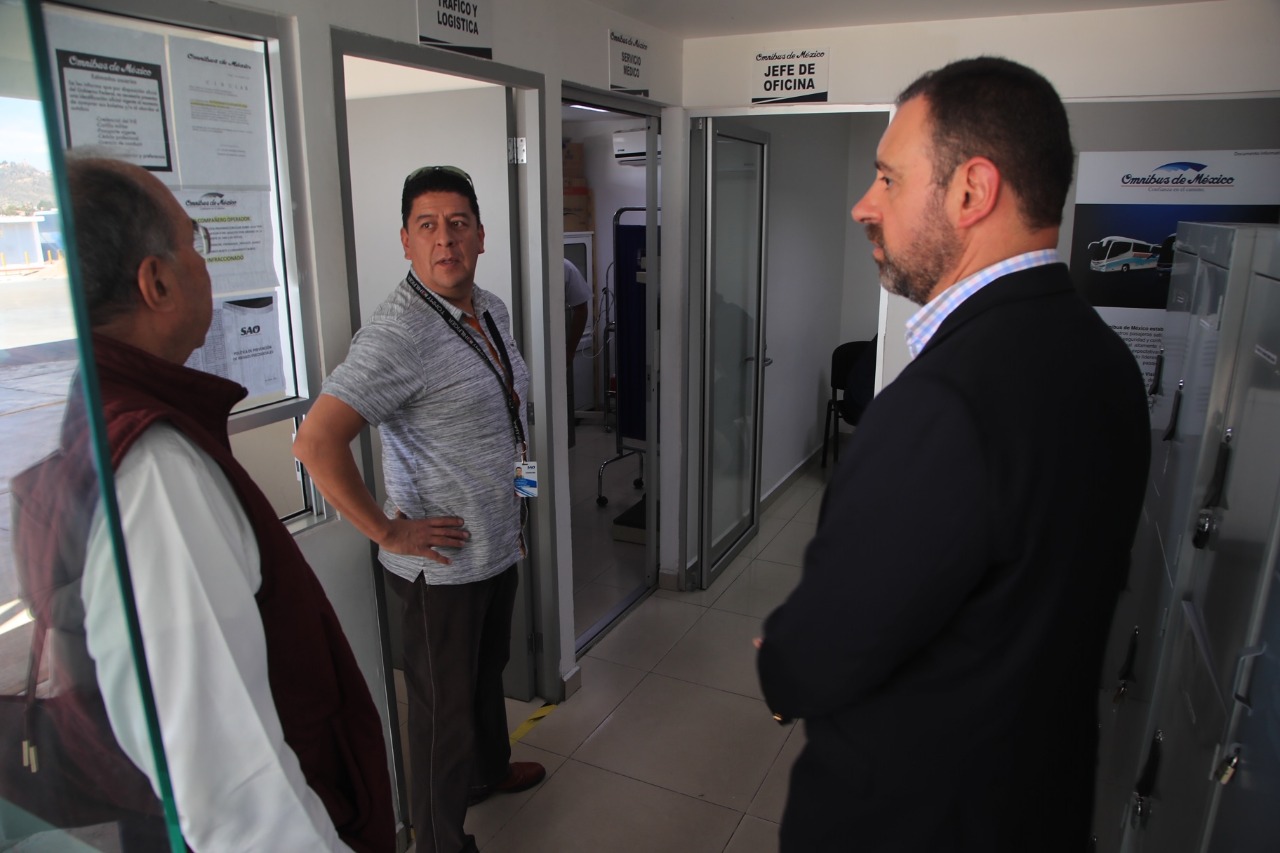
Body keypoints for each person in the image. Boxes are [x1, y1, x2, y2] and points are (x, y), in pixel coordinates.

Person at [755, 57, 1150, 853]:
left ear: (972, 191)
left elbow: (821, 654)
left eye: (888, 179)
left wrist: (782, 655)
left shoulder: (944, 404)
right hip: (1033, 806)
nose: (863, 205)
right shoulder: (1104, 359)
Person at [10, 157, 394, 851]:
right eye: (195, 242)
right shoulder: (157, 470)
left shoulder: (102, 415)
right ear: (156, 282)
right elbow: (233, 789)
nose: (203, 264)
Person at [293, 166, 544, 853]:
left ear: (481, 235)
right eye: (427, 226)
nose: (445, 240)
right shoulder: (397, 333)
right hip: (442, 567)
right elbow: (315, 443)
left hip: (498, 540)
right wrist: (387, 530)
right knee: (443, 717)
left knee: (486, 676)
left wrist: (516, 508)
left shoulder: (491, 308)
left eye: (458, 224)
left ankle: (489, 771)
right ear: (405, 241)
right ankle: (438, 841)